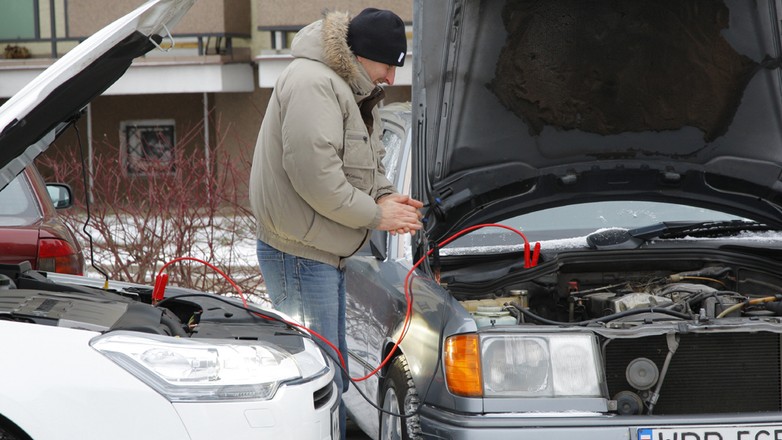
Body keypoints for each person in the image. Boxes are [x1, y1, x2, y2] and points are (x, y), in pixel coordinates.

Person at [248, 7, 423, 439]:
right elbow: (316, 177)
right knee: (316, 382)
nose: (391, 78)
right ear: (364, 55)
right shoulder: (313, 84)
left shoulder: (352, 88)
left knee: (332, 375)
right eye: (388, 66)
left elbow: (369, 162)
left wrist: (385, 194)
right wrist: (376, 214)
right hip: (300, 254)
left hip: (323, 251)